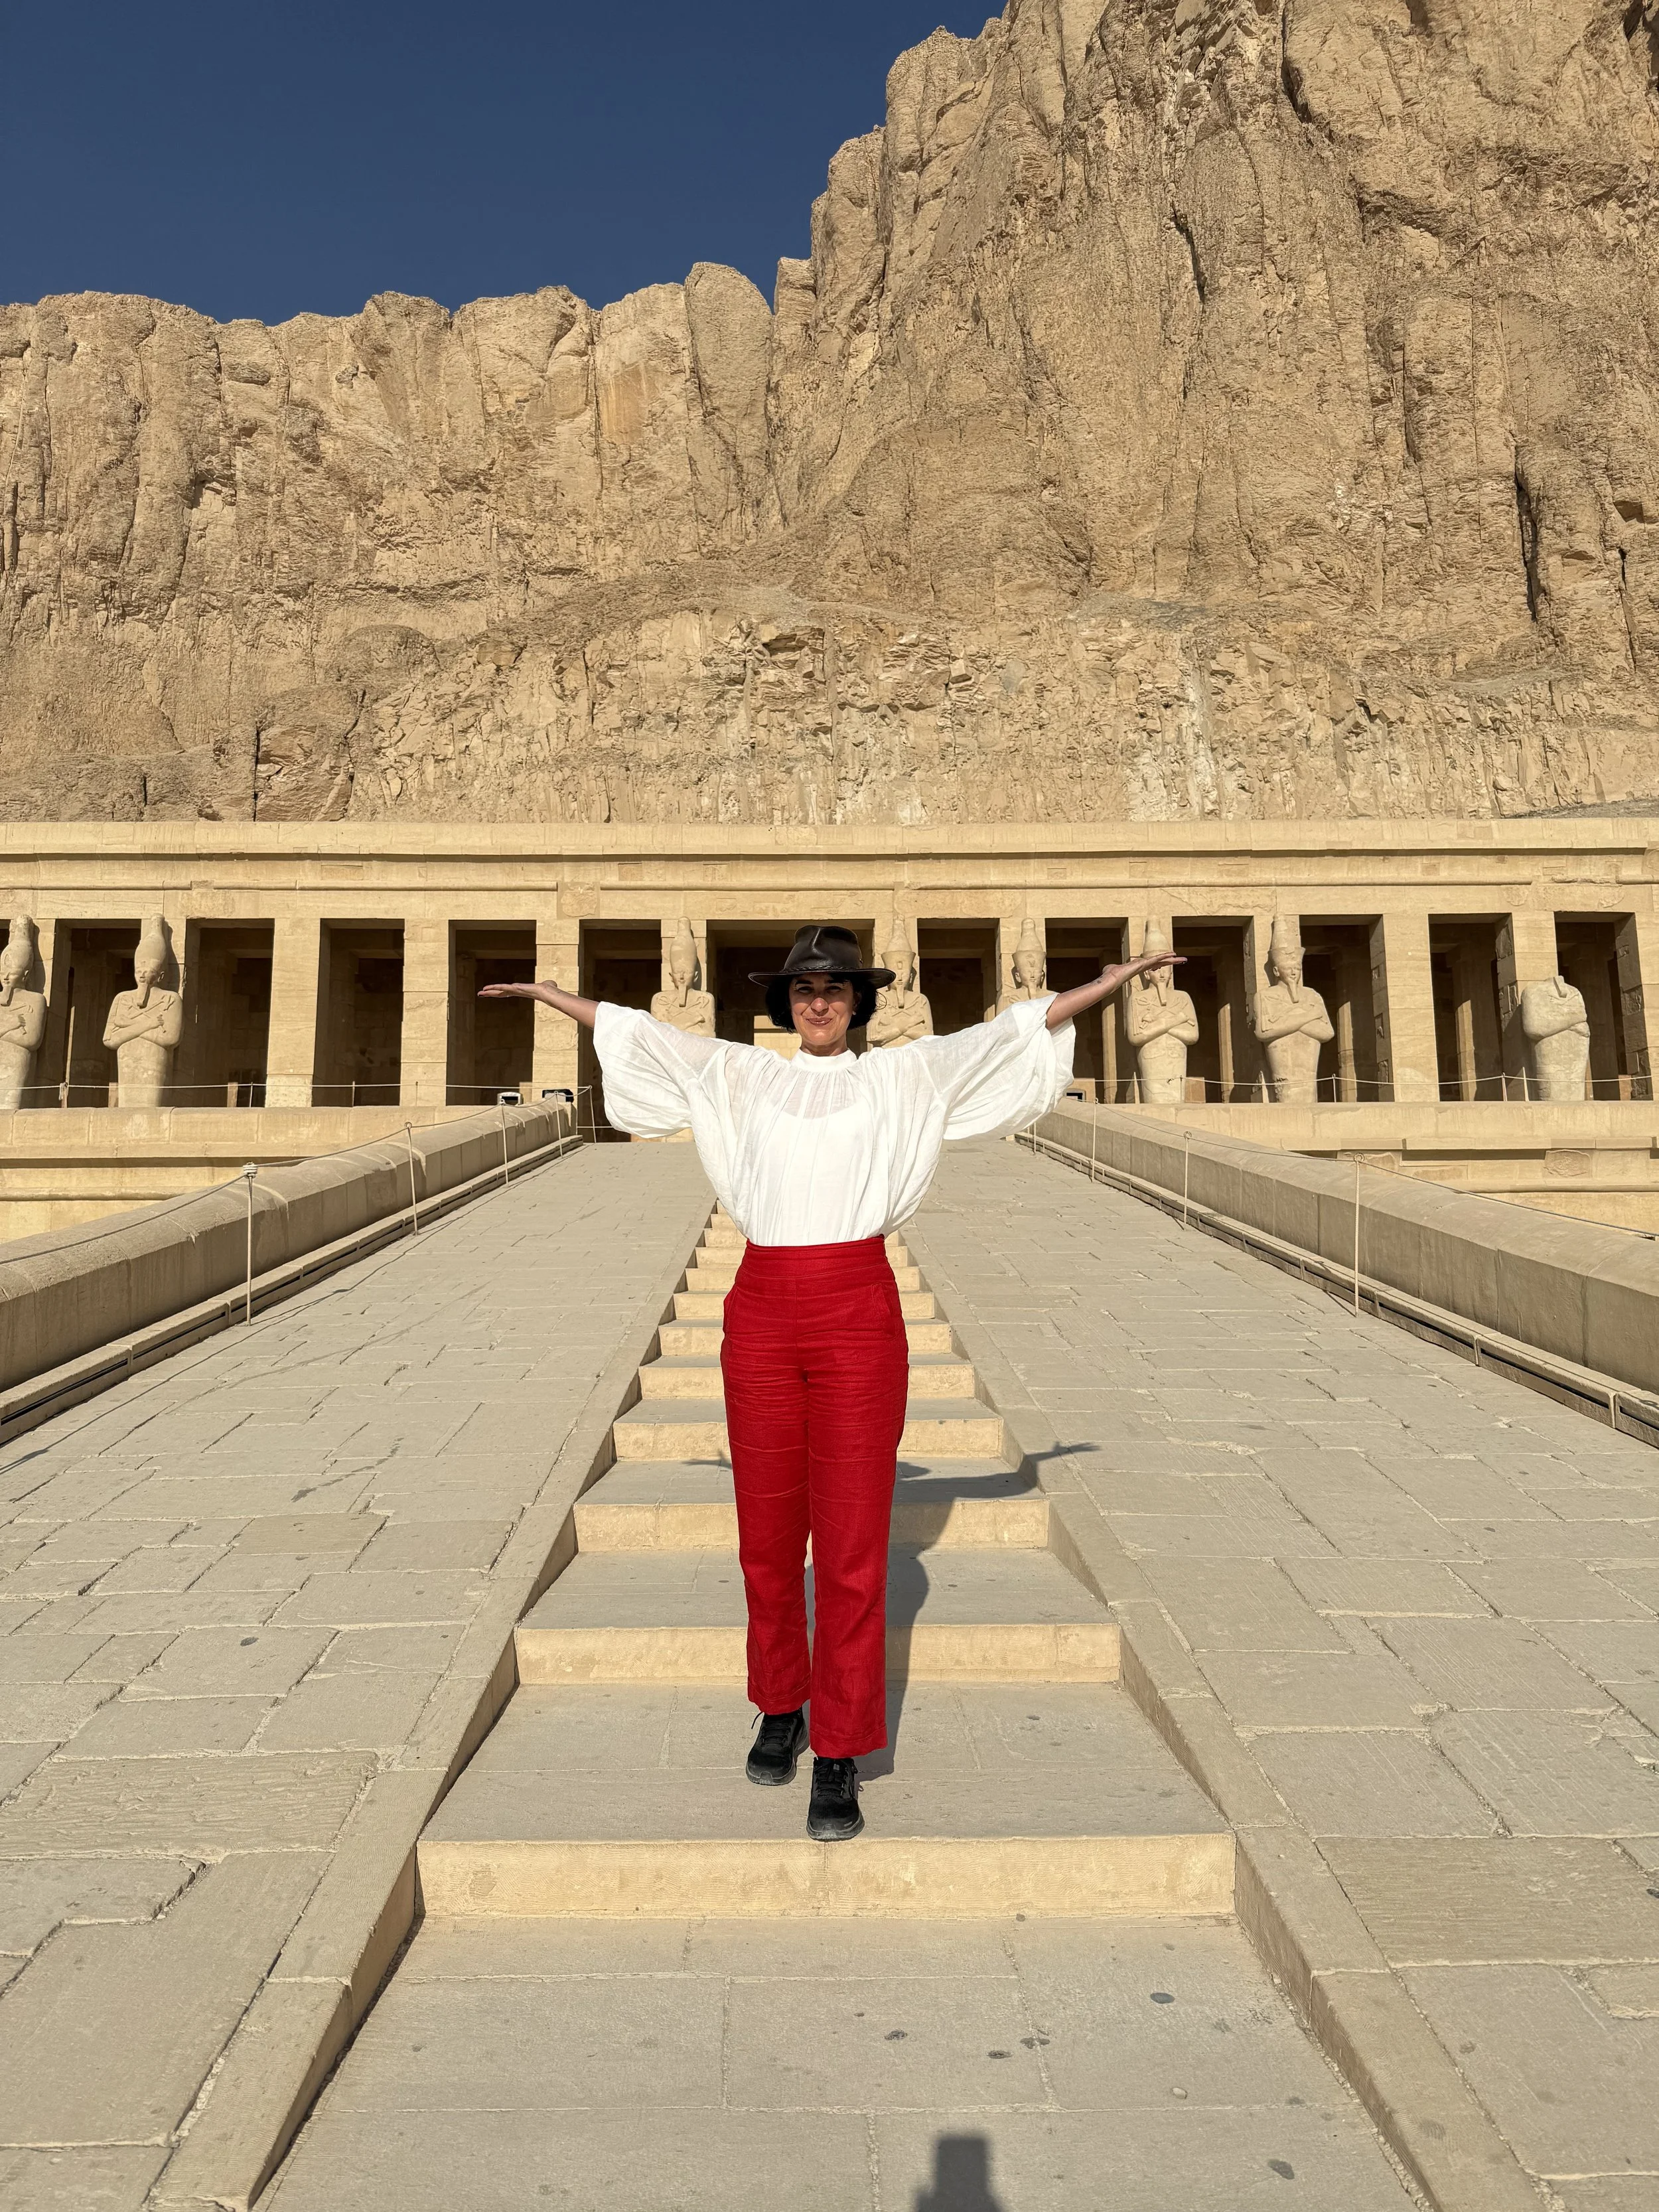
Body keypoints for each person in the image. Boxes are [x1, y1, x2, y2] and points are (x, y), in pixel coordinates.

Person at [480, 923, 1181, 1842]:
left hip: (856, 1300)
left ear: (859, 1002)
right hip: (763, 1300)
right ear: (786, 1002)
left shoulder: (903, 1075)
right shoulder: (742, 1072)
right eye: (805, 988)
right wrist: (548, 998)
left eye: (837, 988)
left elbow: (1016, 1029)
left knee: (851, 1542)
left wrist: (1114, 983)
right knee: (768, 1532)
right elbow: (633, 1029)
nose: (819, 1001)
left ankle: (841, 1749)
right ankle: (781, 1703)